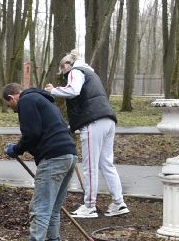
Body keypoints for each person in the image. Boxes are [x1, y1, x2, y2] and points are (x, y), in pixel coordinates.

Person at [2, 82, 78, 241]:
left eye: (10, 106)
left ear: (12, 97)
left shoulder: (27, 101)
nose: (12, 110)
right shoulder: (44, 100)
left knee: (40, 208)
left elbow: (32, 133)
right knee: (53, 207)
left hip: (53, 157)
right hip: (69, 155)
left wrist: (16, 149)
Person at [44, 53, 127, 218]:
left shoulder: (76, 71)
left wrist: (53, 90)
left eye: (63, 70)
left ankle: (89, 206)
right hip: (108, 120)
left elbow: (74, 91)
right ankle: (118, 202)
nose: (64, 74)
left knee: (90, 167)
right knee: (106, 164)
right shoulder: (92, 74)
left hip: (93, 122)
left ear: (68, 64)